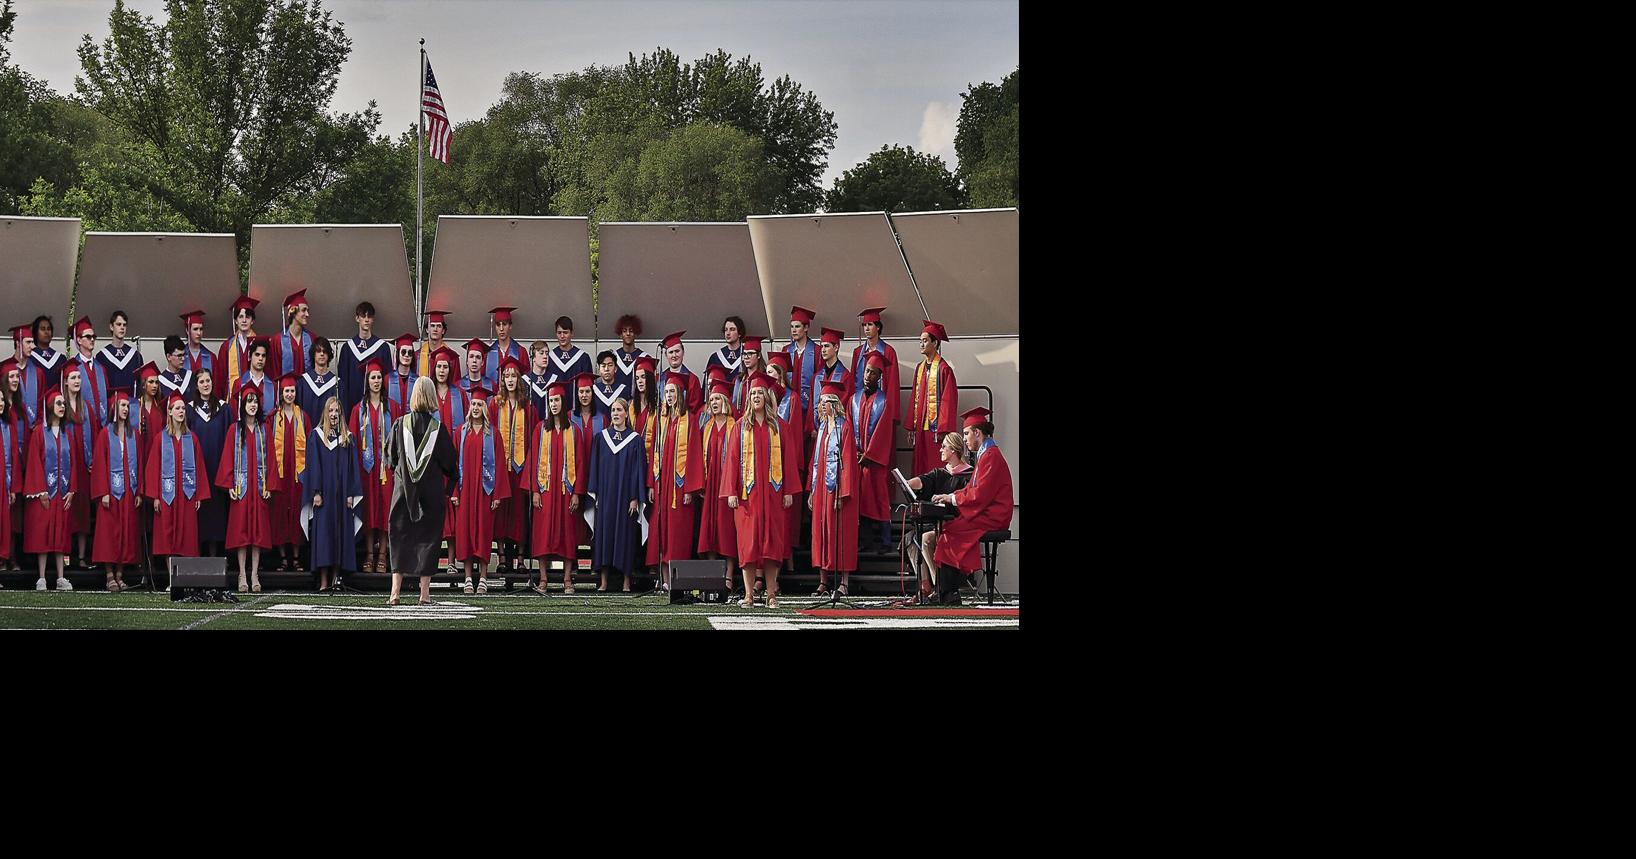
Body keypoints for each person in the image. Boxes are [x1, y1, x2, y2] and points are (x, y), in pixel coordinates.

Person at [723, 374, 802, 608]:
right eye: (753, 393)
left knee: (772, 544)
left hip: (774, 495)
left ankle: (770, 594)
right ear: (748, 398)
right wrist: (730, 491)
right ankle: (748, 594)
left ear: (767, 397)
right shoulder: (739, 428)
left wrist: (789, 490)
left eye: (760, 393)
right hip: (747, 498)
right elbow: (732, 461)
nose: (756, 396)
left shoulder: (780, 427)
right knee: (748, 545)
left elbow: (789, 460)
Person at [930, 407, 1013, 605]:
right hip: (989, 512)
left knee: (951, 530)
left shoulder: (990, 456)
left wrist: (951, 499)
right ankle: (948, 592)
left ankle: (950, 593)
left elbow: (979, 495)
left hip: (994, 515)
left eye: (966, 433)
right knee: (950, 528)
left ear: (978, 432)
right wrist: (951, 496)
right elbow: (971, 489)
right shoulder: (986, 455)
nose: (965, 439)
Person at [386, 377, 457, 606]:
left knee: (399, 536)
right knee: (428, 538)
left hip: (403, 491)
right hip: (431, 493)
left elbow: (391, 459)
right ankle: (424, 595)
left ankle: (395, 593)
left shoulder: (399, 424)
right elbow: (450, 465)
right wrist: (447, 490)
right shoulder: (438, 429)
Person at [526, 381, 585, 593]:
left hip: (566, 491)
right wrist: (534, 490)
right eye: (550, 400)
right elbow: (533, 462)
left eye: (557, 400)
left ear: (563, 402)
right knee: (543, 535)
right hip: (546, 491)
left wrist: (577, 492)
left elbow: (579, 464)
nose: (553, 404)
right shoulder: (540, 430)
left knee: (567, 534)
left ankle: (567, 579)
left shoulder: (574, 431)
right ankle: (543, 579)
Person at [143, 392, 211, 578]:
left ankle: (184, 578)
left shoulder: (192, 438)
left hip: (187, 496)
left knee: (187, 536)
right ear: (170, 412)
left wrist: (198, 494)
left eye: (183, 408)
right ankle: (173, 578)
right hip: (167, 496)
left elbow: (199, 467)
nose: (181, 411)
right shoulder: (160, 439)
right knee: (167, 535)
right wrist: (155, 496)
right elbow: (153, 469)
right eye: (177, 408)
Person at [644, 377, 703, 588]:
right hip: (662, 486)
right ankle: (664, 579)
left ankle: (678, 580)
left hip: (679, 488)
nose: (669, 396)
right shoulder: (661, 421)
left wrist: (690, 488)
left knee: (678, 533)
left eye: (672, 391)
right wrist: (651, 484)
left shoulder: (691, 420)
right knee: (660, 530)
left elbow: (695, 456)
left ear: (680, 393)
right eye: (666, 392)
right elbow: (653, 454)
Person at [451, 386, 510, 594]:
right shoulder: (461, 432)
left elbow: (501, 466)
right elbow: (453, 467)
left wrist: (497, 495)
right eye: (473, 404)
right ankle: (468, 578)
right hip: (465, 491)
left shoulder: (493, 434)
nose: (476, 407)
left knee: (484, 533)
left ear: (485, 408)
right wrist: (454, 492)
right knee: (466, 532)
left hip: (485, 492)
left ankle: (483, 577)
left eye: (479, 404)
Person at [302, 395, 364, 592]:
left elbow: (353, 469)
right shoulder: (316, 436)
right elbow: (313, 467)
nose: (334, 414)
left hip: (342, 494)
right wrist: (316, 492)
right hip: (324, 496)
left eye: (337, 411)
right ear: (325, 413)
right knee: (324, 535)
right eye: (330, 411)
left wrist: (351, 494)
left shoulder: (347, 438)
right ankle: (323, 580)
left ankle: (337, 576)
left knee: (339, 534)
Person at [217, 382, 273, 593]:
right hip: (241, 489)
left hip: (259, 487)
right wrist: (229, 483)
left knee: (257, 532)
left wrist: (270, 484)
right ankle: (241, 573)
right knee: (242, 532)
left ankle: (254, 574)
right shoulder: (235, 429)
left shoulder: (264, 429)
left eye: (255, 401)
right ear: (242, 405)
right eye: (249, 401)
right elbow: (227, 458)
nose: (252, 405)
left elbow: (272, 462)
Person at [586, 397, 646, 592]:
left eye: (620, 410)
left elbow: (638, 471)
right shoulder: (601, 438)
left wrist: (635, 498)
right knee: (605, 535)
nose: (616, 413)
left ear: (626, 413)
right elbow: (594, 468)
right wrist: (595, 494)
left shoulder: (635, 440)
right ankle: (603, 581)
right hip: (606, 496)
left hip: (626, 498)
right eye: (613, 410)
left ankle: (626, 581)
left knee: (626, 536)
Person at [905, 431, 973, 601]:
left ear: (954, 450)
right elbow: (922, 481)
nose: (940, 450)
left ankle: (940, 588)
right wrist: (906, 483)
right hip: (937, 524)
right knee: (910, 538)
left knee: (927, 539)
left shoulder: (969, 475)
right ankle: (925, 585)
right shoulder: (939, 473)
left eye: (944, 447)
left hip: (957, 526)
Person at [24, 387, 77, 591]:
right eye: (58, 403)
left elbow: (73, 464)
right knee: (43, 534)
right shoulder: (39, 432)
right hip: (45, 493)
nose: (62, 406)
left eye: (63, 403)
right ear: (49, 407)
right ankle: (42, 577)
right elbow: (35, 462)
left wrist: (72, 490)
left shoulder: (67, 434)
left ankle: (61, 578)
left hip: (63, 494)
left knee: (61, 535)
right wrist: (41, 490)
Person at [808, 381, 858, 596]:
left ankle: (844, 582)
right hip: (821, 489)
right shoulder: (821, 429)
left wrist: (842, 492)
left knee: (840, 534)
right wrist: (811, 490)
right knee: (820, 533)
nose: (821, 405)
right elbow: (816, 462)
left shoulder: (844, 428)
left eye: (825, 401)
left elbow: (847, 463)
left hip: (837, 491)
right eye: (820, 402)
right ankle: (823, 580)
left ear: (835, 404)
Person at [349, 359, 398, 574]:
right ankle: (369, 554)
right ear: (367, 381)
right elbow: (351, 444)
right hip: (365, 469)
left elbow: (398, 441)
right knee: (369, 509)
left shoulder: (393, 408)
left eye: (379, 377)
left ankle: (383, 555)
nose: (376, 381)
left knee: (386, 510)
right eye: (372, 378)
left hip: (387, 469)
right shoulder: (357, 411)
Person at [92, 391, 144, 591]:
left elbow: (138, 464)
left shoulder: (134, 435)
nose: (125, 409)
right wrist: (103, 491)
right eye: (122, 405)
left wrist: (139, 491)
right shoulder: (105, 434)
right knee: (108, 534)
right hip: (111, 493)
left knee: (126, 533)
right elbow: (99, 464)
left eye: (127, 406)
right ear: (114, 408)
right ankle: (109, 575)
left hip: (129, 492)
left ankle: (120, 574)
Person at [490, 356, 531, 579]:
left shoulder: (528, 407)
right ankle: (503, 556)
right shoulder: (495, 405)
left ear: (519, 379)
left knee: (520, 513)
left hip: (520, 468)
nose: (510, 379)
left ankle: (522, 557)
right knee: (502, 513)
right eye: (506, 376)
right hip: (500, 468)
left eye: (513, 376)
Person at [850, 351, 895, 553]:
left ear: (880, 377)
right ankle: (865, 541)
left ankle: (885, 542)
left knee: (879, 498)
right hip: (858, 460)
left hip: (875, 463)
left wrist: (868, 455)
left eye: (874, 373)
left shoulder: (884, 402)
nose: (869, 376)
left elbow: (883, 432)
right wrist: (854, 453)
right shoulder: (853, 400)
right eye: (867, 371)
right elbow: (849, 428)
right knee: (861, 500)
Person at [695, 380, 738, 588]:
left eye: (717, 399)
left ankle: (729, 575)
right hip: (711, 484)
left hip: (727, 484)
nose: (713, 402)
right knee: (710, 529)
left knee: (727, 529)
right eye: (711, 399)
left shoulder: (734, 425)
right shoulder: (707, 425)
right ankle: (713, 574)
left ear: (725, 401)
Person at [765, 353, 806, 571]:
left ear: (780, 375)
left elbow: (796, 437)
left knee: (786, 518)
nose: (768, 375)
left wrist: (795, 466)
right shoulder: (763, 401)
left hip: (784, 465)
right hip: (765, 467)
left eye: (772, 372)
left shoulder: (792, 399)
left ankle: (787, 559)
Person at [187, 368, 231, 560]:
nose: (206, 384)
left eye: (208, 381)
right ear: (196, 385)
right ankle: (197, 551)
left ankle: (215, 554)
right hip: (196, 468)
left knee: (216, 511)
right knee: (198, 510)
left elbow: (230, 440)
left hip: (217, 468)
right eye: (202, 381)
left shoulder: (224, 408)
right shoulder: (189, 409)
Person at [59, 361, 99, 571]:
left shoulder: (87, 408)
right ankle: (65, 556)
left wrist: (92, 460)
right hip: (64, 467)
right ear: (65, 382)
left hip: (84, 466)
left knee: (82, 510)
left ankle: (82, 557)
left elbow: (92, 436)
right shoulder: (59, 406)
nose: (76, 381)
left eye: (78, 378)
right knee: (66, 510)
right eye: (72, 378)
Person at [907, 320, 958, 476]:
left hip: (935, 430)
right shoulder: (919, 368)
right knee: (920, 466)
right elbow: (914, 398)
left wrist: (943, 428)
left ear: (935, 343)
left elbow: (948, 400)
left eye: (925, 341)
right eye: (920, 341)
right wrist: (911, 425)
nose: (921, 344)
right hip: (920, 427)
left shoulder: (944, 369)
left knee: (934, 465)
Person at [269, 373, 308, 572]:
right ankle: (283, 557)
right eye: (287, 391)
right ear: (281, 393)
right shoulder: (273, 418)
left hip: (298, 476)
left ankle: (296, 556)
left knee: (296, 513)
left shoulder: (303, 416)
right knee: (279, 514)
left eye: (292, 391)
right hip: (280, 476)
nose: (290, 394)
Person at [336, 301, 388, 418]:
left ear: (373, 319)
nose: (366, 319)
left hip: (377, 405)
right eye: (363, 316)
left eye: (369, 316)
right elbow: (343, 381)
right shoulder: (348, 348)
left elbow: (386, 379)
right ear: (357, 318)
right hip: (352, 404)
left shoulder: (382, 347)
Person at [850, 307, 901, 427]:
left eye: (870, 324)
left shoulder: (888, 351)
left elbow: (893, 384)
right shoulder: (858, 352)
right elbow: (854, 380)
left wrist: (891, 413)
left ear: (878, 327)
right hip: (861, 406)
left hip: (881, 407)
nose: (866, 328)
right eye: (864, 325)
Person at [69, 316, 111, 427]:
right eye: (88, 337)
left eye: (94, 337)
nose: (92, 339)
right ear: (79, 340)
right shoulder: (73, 367)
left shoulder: (101, 368)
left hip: (102, 424)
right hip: (82, 424)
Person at [0, 358, 21, 572]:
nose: (15, 380)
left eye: (17, 376)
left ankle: (11, 555)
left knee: (14, 517)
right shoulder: (4, 411)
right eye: (11, 377)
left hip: (15, 467)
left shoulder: (19, 408)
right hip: (4, 469)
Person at [216, 296, 260, 397]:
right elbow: (221, 378)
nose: (244, 320)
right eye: (240, 317)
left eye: (247, 317)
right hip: (233, 398)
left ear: (252, 321)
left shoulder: (260, 344)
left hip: (255, 398)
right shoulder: (227, 346)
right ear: (236, 320)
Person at [783, 306, 819, 430]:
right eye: (792, 326)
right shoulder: (786, 350)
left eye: (797, 326)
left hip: (807, 408)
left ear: (806, 328)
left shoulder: (817, 351)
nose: (794, 330)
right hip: (789, 408)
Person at [810, 326, 851, 428]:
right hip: (818, 428)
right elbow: (812, 405)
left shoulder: (846, 376)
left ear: (836, 348)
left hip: (837, 429)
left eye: (827, 346)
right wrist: (812, 428)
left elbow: (845, 405)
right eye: (822, 346)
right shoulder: (816, 377)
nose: (823, 350)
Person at [98, 310, 145, 397]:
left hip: (131, 404)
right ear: (111, 327)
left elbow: (140, 385)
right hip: (111, 405)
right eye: (119, 324)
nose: (122, 327)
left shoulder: (135, 356)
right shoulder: (102, 356)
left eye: (124, 325)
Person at [268, 289, 314, 378]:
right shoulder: (277, 341)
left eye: (308, 310)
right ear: (293, 311)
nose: (307, 314)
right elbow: (274, 372)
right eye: (304, 310)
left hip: (307, 389)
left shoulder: (312, 338)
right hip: (286, 390)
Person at [656, 331, 704, 415]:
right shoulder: (660, 379)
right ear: (666, 355)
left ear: (683, 352)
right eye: (671, 352)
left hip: (685, 424)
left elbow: (695, 409)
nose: (674, 355)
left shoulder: (692, 379)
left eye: (677, 351)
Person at [297, 337, 341, 423]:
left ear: (329, 355)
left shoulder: (337, 384)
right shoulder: (303, 382)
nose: (322, 354)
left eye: (325, 351)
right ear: (313, 354)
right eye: (318, 351)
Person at [482, 307, 526, 388]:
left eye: (504, 324)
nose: (501, 329)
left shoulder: (521, 351)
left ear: (510, 326)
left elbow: (525, 380)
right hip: (493, 398)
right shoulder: (487, 354)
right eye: (498, 324)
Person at [543, 315, 592, 386]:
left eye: (565, 332)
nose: (562, 336)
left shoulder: (583, 358)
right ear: (556, 334)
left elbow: (588, 385)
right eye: (559, 333)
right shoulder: (550, 357)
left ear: (571, 333)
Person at [134, 362, 166, 459]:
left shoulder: (161, 408)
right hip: (140, 455)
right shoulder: (135, 408)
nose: (155, 385)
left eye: (156, 382)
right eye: (151, 382)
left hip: (158, 455)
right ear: (144, 384)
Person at [430, 346, 467, 430]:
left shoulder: (460, 394)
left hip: (453, 441)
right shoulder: (429, 393)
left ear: (450, 370)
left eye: (445, 367)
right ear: (434, 369)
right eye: (439, 366)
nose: (442, 370)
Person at [181, 309, 216, 389]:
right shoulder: (180, 356)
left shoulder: (211, 357)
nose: (199, 333)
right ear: (187, 330)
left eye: (201, 329)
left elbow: (216, 386)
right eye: (195, 329)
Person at [730, 336, 765, 416]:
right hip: (740, 422)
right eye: (744, 354)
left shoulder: (765, 379)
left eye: (750, 353)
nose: (746, 357)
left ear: (758, 355)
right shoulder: (738, 380)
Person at [611, 315, 646, 392]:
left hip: (637, 401)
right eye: (624, 331)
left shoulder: (644, 357)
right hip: (618, 401)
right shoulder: (613, 356)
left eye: (631, 330)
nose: (628, 333)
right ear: (620, 335)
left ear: (636, 333)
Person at [385, 332, 418, 413]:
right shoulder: (387, 379)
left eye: (410, 353)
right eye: (403, 352)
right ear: (398, 354)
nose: (406, 355)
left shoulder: (418, 381)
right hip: (392, 423)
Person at [706, 315, 746, 382]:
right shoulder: (716, 357)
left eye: (732, 329)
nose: (728, 333)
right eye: (726, 330)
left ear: (740, 333)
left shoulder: (747, 355)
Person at [238, 336, 276, 408]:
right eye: (257, 354)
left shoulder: (273, 386)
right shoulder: (239, 384)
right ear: (249, 357)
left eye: (263, 355)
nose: (260, 358)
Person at [414, 310, 451, 378]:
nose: (435, 329)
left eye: (439, 326)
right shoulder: (417, 356)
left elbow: (455, 385)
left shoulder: (451, 357)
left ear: (443, 331)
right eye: (432, 325)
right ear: (427, 330)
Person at [522, 339, 553, 416]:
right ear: (533, 358)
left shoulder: (554, 380)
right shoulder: (524, 381)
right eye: (541, 353)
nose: (545, 356)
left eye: (547, 353)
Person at [157, 335, 193, 399]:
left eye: (184, 355)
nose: (183, 358)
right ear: (168, 357)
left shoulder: (190, 376)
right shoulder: (161, 381)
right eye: (179, 355)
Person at [591, 351, 626, 418]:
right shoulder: (592, 390)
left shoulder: (624, 390)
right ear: (598, 369)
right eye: (603, 366)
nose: (606, 369)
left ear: (615, 368)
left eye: (610, 365)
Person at [570, 372, 603, 437]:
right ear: (577, 394)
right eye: (581, 392)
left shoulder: (602, 419)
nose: (584, 395)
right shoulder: (569, 417)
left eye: (587, 391)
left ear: (592, 393)